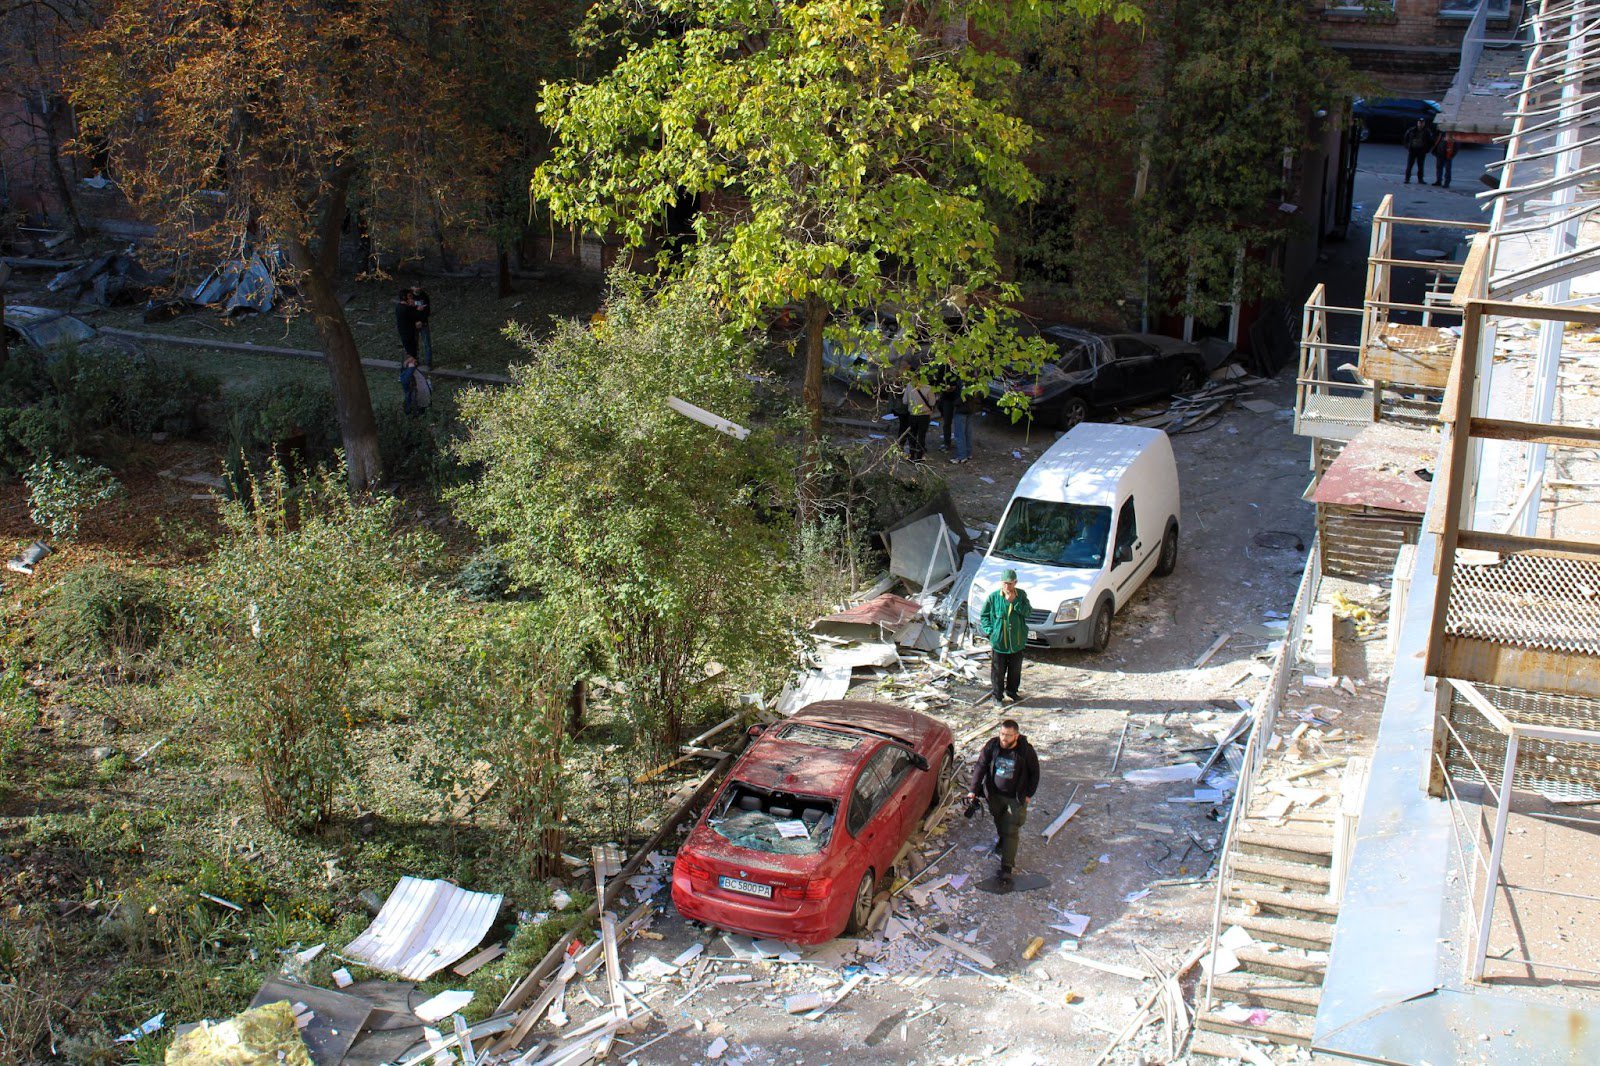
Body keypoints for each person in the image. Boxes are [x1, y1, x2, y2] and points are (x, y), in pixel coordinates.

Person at [966, 719, 1040, 888]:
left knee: (1011, 830)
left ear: (1017, 736)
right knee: (1000, 822)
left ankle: (1007, 866)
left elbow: (1035, 773)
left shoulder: (1025, 751)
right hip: (994, 795)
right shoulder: (992, 746)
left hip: (1015, 798)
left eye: (1008, 736)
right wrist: (973, 790)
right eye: (1002, 734)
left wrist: (1028, 795)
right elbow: (980, 766)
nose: (1004, 739)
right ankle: (1002, 840)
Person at [980, 569, 1031, 703]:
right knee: (998, 671)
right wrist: (991, 631)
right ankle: (997, 696)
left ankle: (1012, 692)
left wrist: (1015, 602)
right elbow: (984, 616)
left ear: (1015, 583)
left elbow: (1028, 612)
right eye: (1005, 583)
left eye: (1010, 584)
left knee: (1015, 670)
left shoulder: (1021, 595)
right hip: (999, 641)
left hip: (1016, 640)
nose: (1007, 587)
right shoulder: (993, 597)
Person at [903, 381, 937, 462]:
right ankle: (919, 456)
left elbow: (905, 401)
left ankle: (911, 455)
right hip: (924, 415)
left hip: (913, 414)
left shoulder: (909, 385)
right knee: (921, 436)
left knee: (912, 435)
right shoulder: (928, 387)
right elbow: (932, 402)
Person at [950, 389, 979, 465]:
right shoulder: (974, 381)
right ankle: (968, 453)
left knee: (960, 434)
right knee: (968, 433)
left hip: (961, 410)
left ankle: (961, 456)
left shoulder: (963, 382)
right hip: (970, 409)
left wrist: (954, 403)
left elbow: (963, 397)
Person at [408, 284, 434, 368]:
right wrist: (415, 321)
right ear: (412, 287)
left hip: (423, 323)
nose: (418, 288)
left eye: (419, 286)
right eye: (415, 286)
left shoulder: (424, 296)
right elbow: (408, 311)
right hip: (413, 324)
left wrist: (421, 321)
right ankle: (415, 361)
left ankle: (429, 363)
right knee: (414, 344)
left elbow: (427, 311)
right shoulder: (409, 297)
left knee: (427, 343)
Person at [1403, 118, 1436, 185]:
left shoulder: (1427, 131)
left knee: (1420, 166)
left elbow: (1431, 141)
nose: (1421, 124)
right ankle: (1407, 179)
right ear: (1417, 123)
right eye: (1420, 122)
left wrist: (1427, 149)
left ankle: (1420, 179)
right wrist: (1408, 147)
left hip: (1421, 150)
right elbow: (1406, 139)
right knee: (1410, 165)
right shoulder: (1412, 130)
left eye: (1422, 123)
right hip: (1413, 150)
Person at [395, 288, 421, 362]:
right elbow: (415, 317)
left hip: (404, 333)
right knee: (412, 355)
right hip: (409, 334)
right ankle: (410, 368)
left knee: (409, 352)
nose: (411, 298)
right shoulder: (406, 308)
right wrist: (418, 309)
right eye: (409, 296)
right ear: (404, 297)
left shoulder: (398, 306)